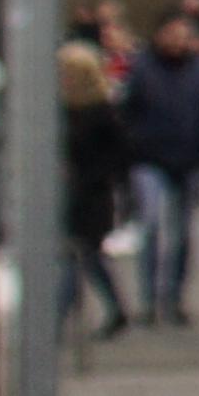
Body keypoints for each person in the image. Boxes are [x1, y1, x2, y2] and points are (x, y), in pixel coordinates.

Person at [114, 10, 199, 329]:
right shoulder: (143, 69)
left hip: (191, 159)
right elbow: (126, 112)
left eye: (185, 36)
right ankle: (149, 300)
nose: (179, 42)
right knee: (151, 225)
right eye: (173, 34)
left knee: (182, 233)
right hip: (149, 158)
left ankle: (173, 298)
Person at [57, 25, 134, 335]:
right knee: (87, 258)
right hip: (69, 192)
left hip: (92, 194)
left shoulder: (102, 112)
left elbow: (119, 156)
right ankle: (115, 309)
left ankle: (55, 319)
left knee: (79, 257)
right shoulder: (60, 111)